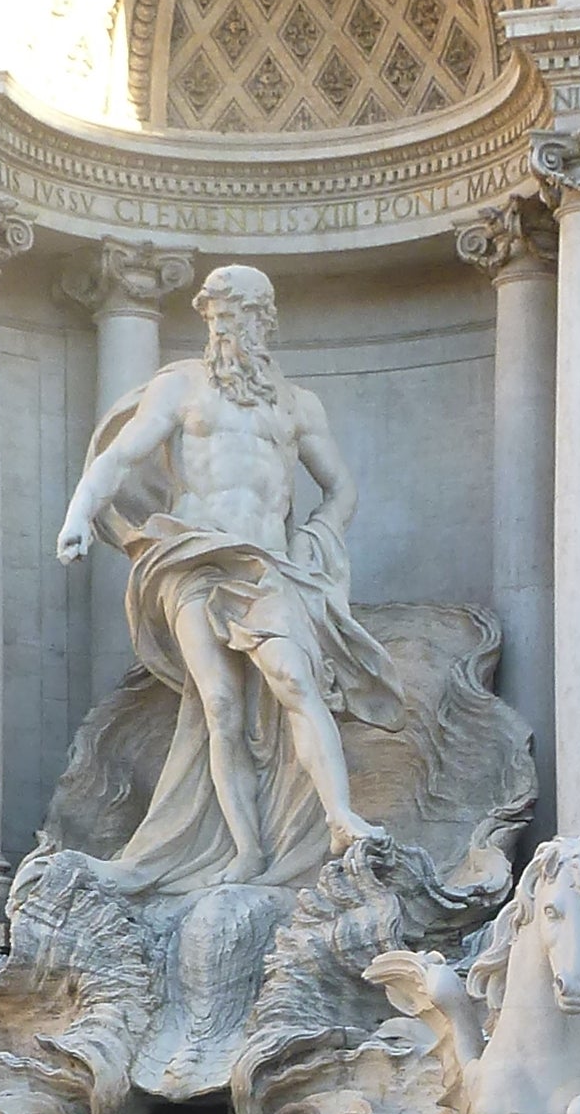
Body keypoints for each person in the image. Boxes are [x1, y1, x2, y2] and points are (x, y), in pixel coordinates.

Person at [54, 263, 397, 891]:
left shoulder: (298, 404)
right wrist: (80, 513)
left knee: (295, 680)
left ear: (263, 320)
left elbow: (341, 487)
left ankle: (341, 818)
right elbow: (121, 455)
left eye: (234, 318)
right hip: (191, 555)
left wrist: (316, 539)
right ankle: (244, 851)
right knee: (218, 702)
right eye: (214, 319)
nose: (223, 332)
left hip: (266, 565)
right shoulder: (180, 386)